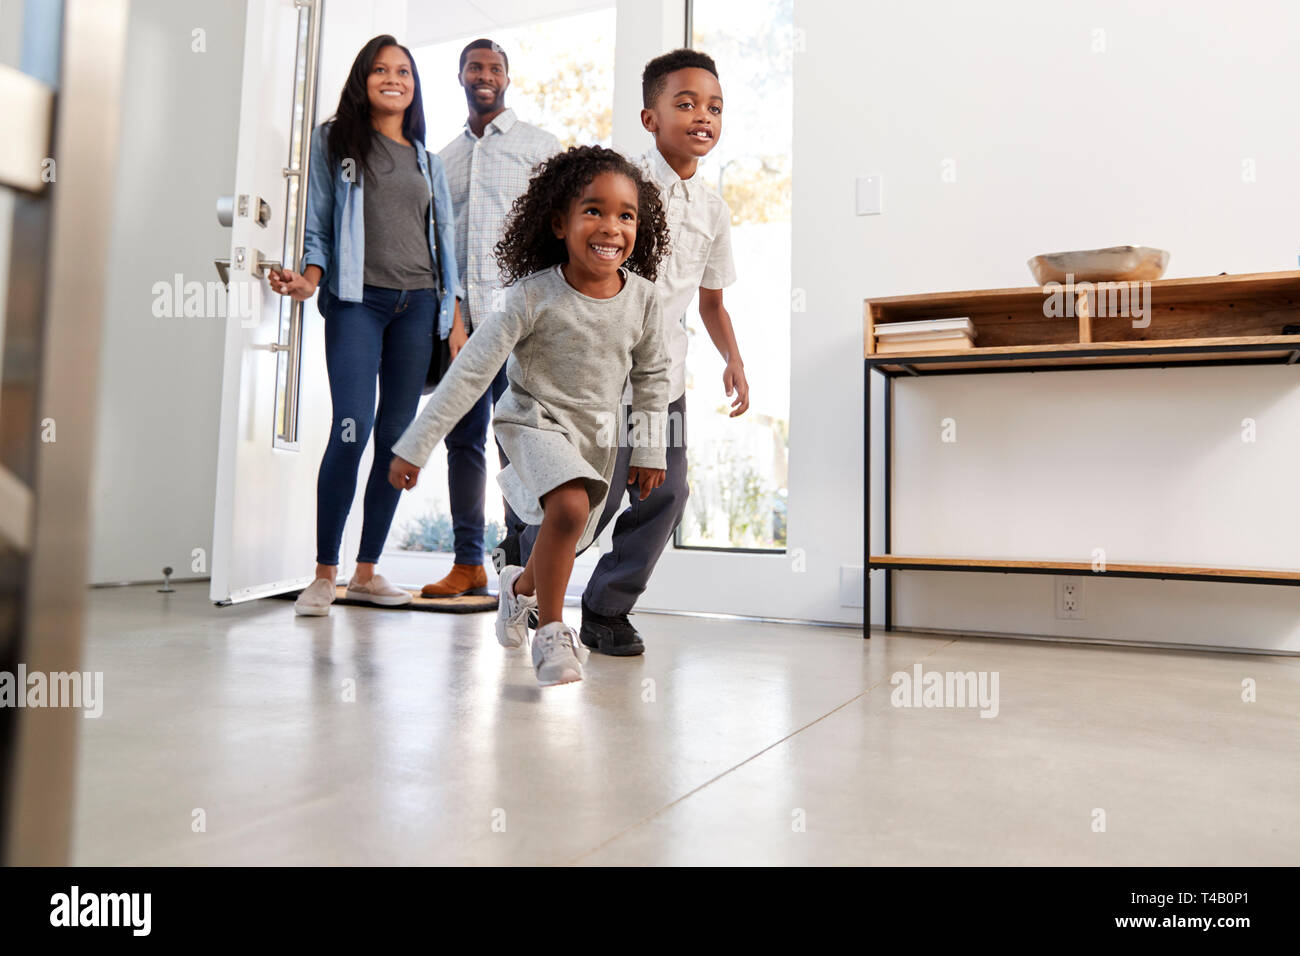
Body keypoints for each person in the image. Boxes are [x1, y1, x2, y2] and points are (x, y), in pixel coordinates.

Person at [388, 146, 671, 686]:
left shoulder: (644, 300)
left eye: (626, 215)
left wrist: (651, 447)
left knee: (565, 529)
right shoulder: (529, 296)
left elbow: (653, 375)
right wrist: (416, 444)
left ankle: (518, 593)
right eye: (593, 210)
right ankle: (553, 635)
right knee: (566, 508)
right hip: (531, 423)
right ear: (559, 222)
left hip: (595, 436)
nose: (611, 226)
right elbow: (472, 371)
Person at [505, 49, 749, 655]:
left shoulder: (714, 210)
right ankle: (523, 569)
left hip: (662, 380)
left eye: (714, 107)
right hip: (594, 374)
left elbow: (712, 301)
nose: (703, 117)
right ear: (650, 117)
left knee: (666, 492)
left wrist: (733, 359)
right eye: (686, 103)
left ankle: (607, 610)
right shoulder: (623, 186)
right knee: (590, 497)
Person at [268, 35, 461, 616]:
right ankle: (325, 574)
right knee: (350, 425)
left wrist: (453, 319)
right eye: (381, 69)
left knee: (398, 441)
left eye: (403, 71)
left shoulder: (427, 158)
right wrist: (309, 277)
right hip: (358, 301)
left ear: (414, 85)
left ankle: (368, 570)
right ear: (364, 78)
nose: (393, 78)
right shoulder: (336, 141)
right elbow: (319, 224)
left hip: (420, 306)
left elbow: (446, 240)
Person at [420, 39, 561, 599]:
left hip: (523, 322)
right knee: (464, 439)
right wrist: (453, 315)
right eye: (475, 67)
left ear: (507, 78)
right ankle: (468, 564)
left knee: (523, 440)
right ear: (460, 76)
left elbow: (557, 231)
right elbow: (440, 246)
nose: (485, 75)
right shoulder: (442, 160)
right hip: (466, 325)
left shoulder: (539, 146)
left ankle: (524, 562)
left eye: (495, 68)